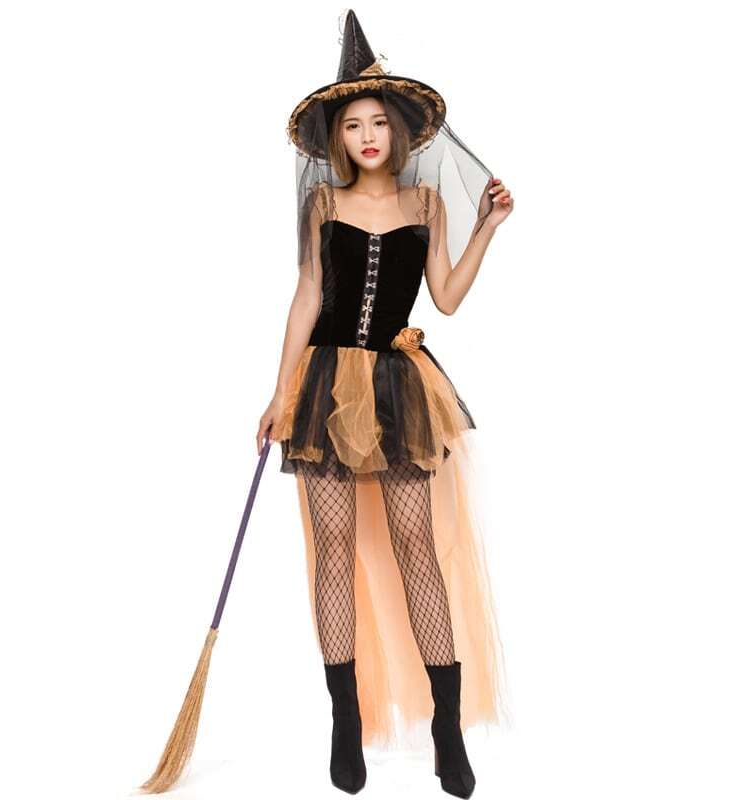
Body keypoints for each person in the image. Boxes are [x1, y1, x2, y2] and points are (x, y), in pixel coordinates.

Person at [256, 10, 514, 798]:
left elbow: (446, 297)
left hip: (398, 389)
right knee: (331, 548)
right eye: (352, 125)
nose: (366, 135)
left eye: (377, 123)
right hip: (325, 386)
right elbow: (307, 296)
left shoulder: (426, 205)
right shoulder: (322, 205)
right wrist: (279, 393)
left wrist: (488, 228)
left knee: (416, 547)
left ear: (398, 133)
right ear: (337, 139)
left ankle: (446, 727)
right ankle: (345, 718)